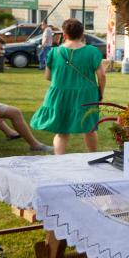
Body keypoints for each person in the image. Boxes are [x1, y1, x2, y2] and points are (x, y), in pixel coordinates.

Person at [31, 18, 106, 155]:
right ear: (82, 34)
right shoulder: (92, 51)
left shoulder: (54, 52)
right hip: (86, 94)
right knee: (89, 129)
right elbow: (101, 76)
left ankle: (59, 161)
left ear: (64, 35)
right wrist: (100, 93)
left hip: (60, 94)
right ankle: (93, 157)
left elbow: (48, 76)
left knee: (61, 131)